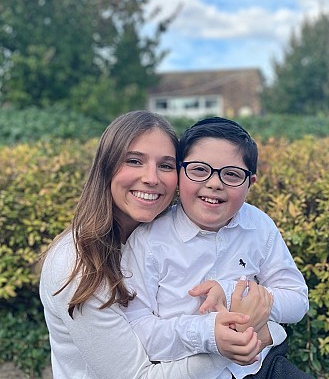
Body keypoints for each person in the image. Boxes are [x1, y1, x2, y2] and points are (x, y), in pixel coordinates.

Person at [39, 110, 269, 379]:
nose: (151, 178)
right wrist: (237, 341)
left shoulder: (170, 238)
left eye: (166, 165)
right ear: (106, 167)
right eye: (134, 161)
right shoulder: (79, 265)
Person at [122, 117, 311, 379]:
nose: (214, 183)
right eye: (199, 170)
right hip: (186, 370)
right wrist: (209, 333)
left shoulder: (258, 225)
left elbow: (298, 299)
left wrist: (233, 293)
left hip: (259, 366)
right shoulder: (149, 240)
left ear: (250, 183)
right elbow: (136, 328)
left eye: (232, 174)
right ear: (178, 173)